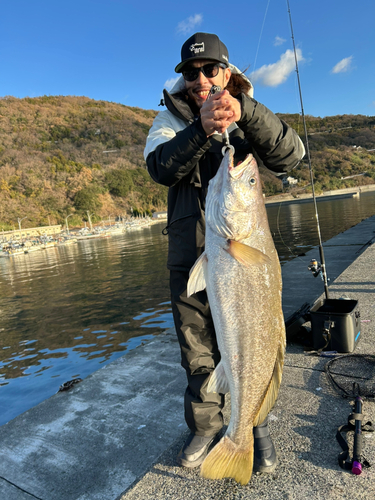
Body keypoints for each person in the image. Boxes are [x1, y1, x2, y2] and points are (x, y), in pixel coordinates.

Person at [144, 32, 305, 471]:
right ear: (184, 79)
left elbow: (291, 155)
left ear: (227, 72)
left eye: (210, 69)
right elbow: (160, 167)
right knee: (197, 350)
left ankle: (254, 426)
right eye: (191, 73)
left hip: (240, 252)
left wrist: (245, 111)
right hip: (190, 256)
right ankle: (206, 427)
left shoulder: (247, 112)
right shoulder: (169, 121)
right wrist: (200, 128)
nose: (201, 79)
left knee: (256, 340)